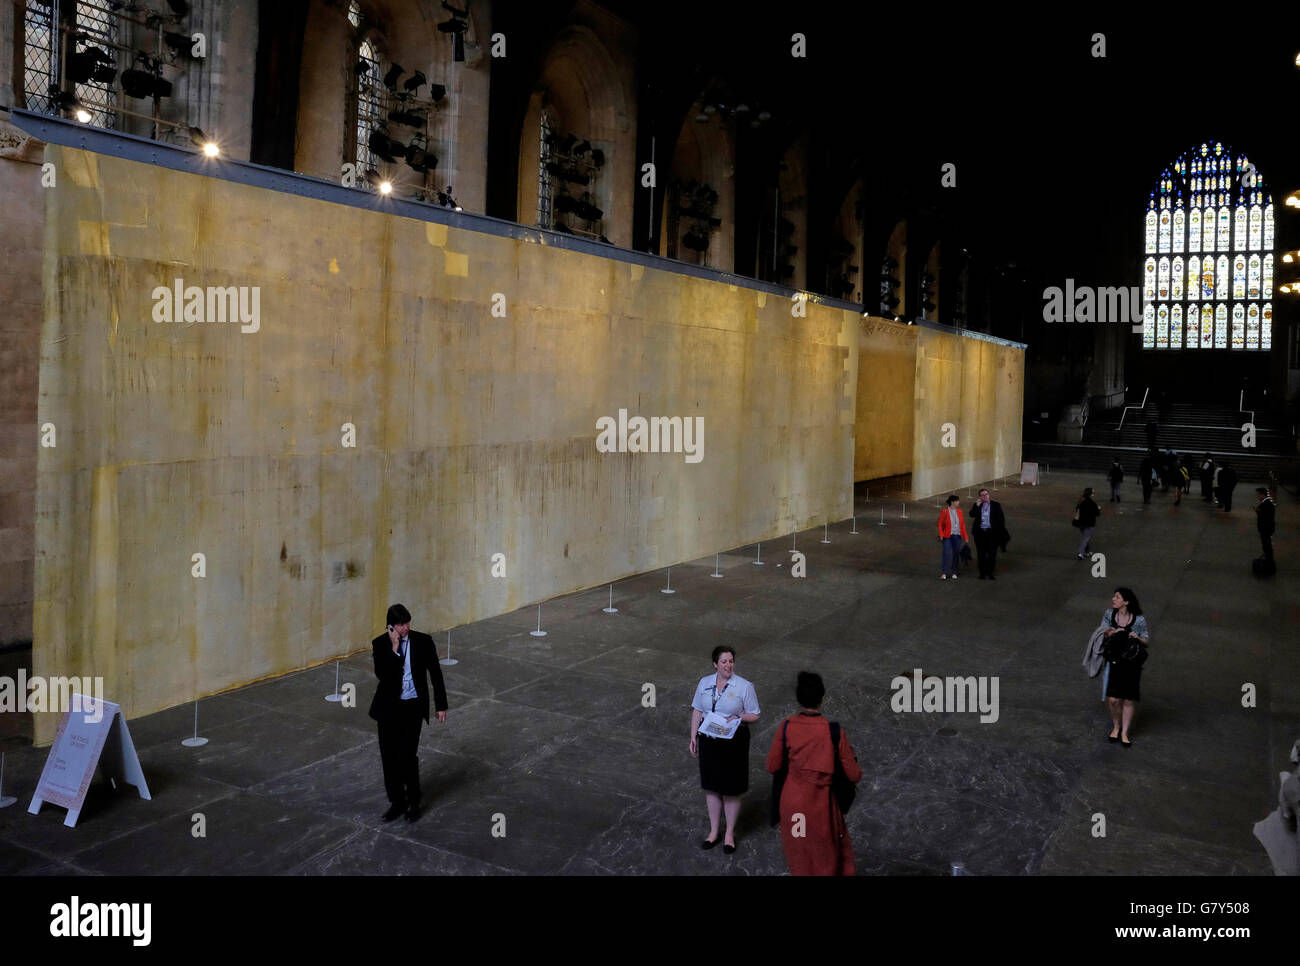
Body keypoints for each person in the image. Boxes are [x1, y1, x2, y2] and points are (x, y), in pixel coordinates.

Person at [765, 671, 862, 876]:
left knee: (799, 855)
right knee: (826, 859)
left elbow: (772, 766)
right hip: (822, 810)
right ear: (822, 699)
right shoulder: (833, 732)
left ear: (799, 699)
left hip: (794, 808)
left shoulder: (787, 727)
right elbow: (854, 775)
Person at [368, 603, 448, 823]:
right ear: (391, 627)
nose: (405, 628)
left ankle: (414, 801)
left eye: (407, 623)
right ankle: (397, 802)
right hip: (388, 710)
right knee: (389, 758)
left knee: (407, 757)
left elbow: (436, 674)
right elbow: (383, 676)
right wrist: (394, 649)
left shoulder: (423, 641)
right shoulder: (380, 644)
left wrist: (441, 705)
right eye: (400, 625)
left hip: (412, 707)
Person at [689, 646, 760, 854]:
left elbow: (754, 714)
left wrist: (738, 717)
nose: (728, 665)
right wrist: (693, 736)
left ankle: (729, 833)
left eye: (731, 661)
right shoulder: (704, 683)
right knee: (711, 786)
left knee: (731, 788)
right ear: (715, 664)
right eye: (724, 662)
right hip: (709, 740)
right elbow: (697, 710)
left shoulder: (744, 686)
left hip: (733, 742)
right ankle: (713, 832)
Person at [1099, 588, 1150, 748]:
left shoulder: (1139, 620)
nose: (1113, 599)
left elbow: (1146, 640)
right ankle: (1116, 725)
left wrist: (1137, 637)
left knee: (1128, 699)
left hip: (1131, 664)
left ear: (1126, 602)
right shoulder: (1109, 614)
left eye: (1117, 597)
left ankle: (1124, 732)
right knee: (1114, 699)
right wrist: (1114, 631)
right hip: (1114, 662)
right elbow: (1102, 631)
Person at [968, 488, 1007, 580]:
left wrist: (999, 532)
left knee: (992, 554)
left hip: (992, 534)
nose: (985, 496)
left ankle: (990, 573)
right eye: (982, 495)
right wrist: (977, 506)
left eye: (986, 494)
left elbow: (1001, 519)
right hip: (980, 533)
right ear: (980, 497)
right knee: (981, 554)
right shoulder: (977, 505)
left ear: (989, 495)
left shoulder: (996, 505)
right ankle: (982, 573)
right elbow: (972, 515)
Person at [936, 494, 969, 580]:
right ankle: (944, 573)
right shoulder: (945, 511)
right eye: (957, 501)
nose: (959, 502)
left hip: (957, 536)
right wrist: (941, 534)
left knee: (955, 554)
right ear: (952, 502)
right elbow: (939, 524)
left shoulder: (960, 512)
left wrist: (965, 536)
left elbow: (962, 525)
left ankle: (954, 572)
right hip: (947, 536)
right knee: (946, 554)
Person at [1074, 487, 1100, 559]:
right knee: (1085, 538)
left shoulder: (1081, 501)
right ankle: (1080, 553)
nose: (1094, 494)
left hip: (1080, 523)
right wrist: (1098, 508)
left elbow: (1077, 509)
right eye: (1093, 493)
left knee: (1085, 537)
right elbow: (1097, 514)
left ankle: (1087, 552)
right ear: (1091, 494)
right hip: (1089, 523)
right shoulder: (1092, 503)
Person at [1255, 487, 1275, 565]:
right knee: (1266, 544)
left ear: (1262, 495)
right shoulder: (1267, 503)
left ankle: (1268, 559)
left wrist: (1258, 511)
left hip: (1265, 528)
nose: (1256, 496)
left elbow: (1266, 516)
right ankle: (1268, 557)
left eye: (1257, 494)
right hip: (1267, 528)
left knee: (1266, 544)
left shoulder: (1266, 504)